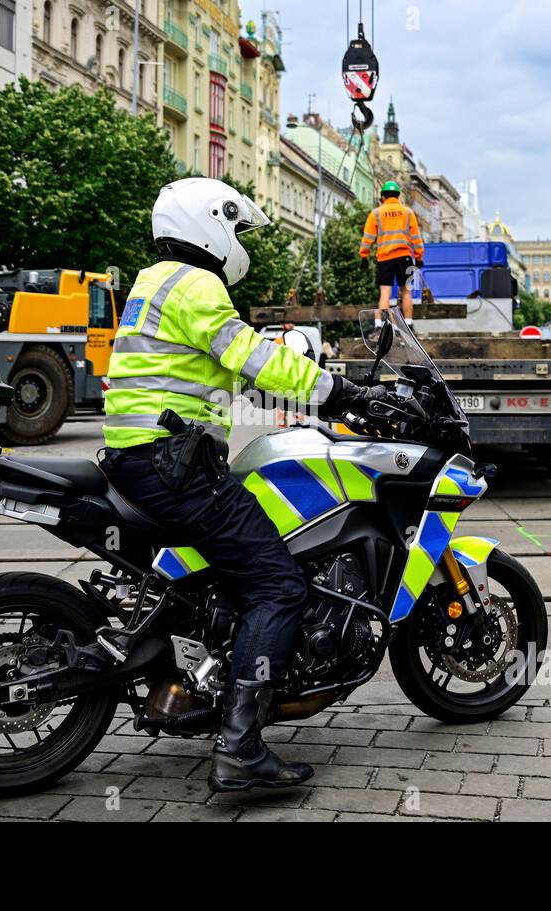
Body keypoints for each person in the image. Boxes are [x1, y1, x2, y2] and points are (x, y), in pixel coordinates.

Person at [100, 177, 383, 792]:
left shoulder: (154, 282)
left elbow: (222, 369)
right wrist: (343, 391)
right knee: (278, 585)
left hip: (141, 458)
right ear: (212, 222)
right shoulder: (199, 284)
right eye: (236, 226)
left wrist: (280, 387)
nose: (239, 241)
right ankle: (240, 749)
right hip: (174, 467)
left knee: (241, 567)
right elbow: (252, 356)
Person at [360, 181, 424, 324]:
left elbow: (368, 238)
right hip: (404, 258)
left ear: (383, 197)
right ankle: (408, 323)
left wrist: (364, 256)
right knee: (406, 291)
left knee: (385, 292)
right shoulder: (408, 212)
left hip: (385, 259)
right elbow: (416, 238)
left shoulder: (376, 213)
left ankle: (382, 324)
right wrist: (419, 257)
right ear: (398, 196)